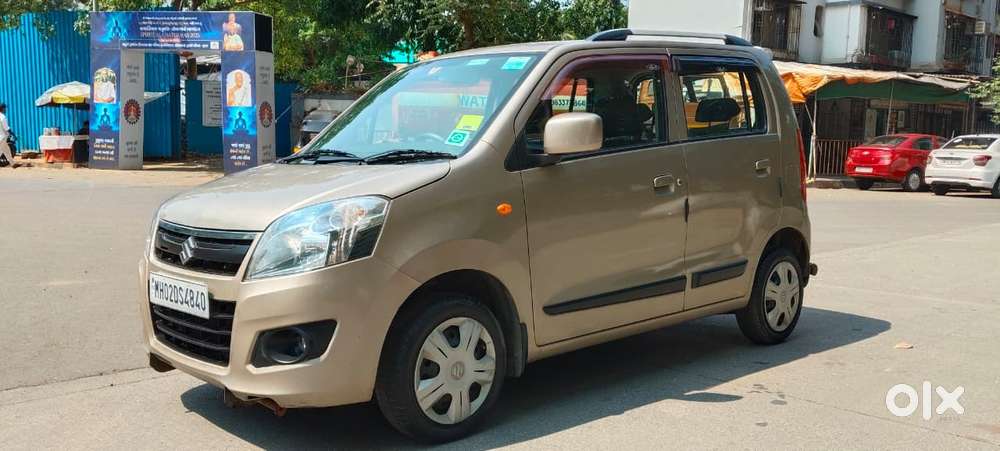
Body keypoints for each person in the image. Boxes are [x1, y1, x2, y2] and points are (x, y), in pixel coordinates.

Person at [0, 103, 12, 167]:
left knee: (5, 150)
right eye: (5, 108)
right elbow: (6, 128)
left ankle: (12, 163)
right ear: (2, 108)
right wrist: (13, 134)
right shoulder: (2, 117)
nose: (5, 110)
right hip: (2, 137)